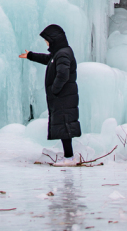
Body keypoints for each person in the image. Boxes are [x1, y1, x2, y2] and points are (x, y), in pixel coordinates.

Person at [19, 24, 81, 165]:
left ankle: (69, 158)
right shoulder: (59, 53)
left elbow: (63, 74)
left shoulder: (63, 53)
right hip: (63, 97)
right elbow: (49, 60)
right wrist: (31, 56)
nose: (46, 43)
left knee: (65, 126)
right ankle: (68, 156)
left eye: (47, 40)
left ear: (54, 39)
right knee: (64, 126)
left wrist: (54, 89)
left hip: (64, 97)